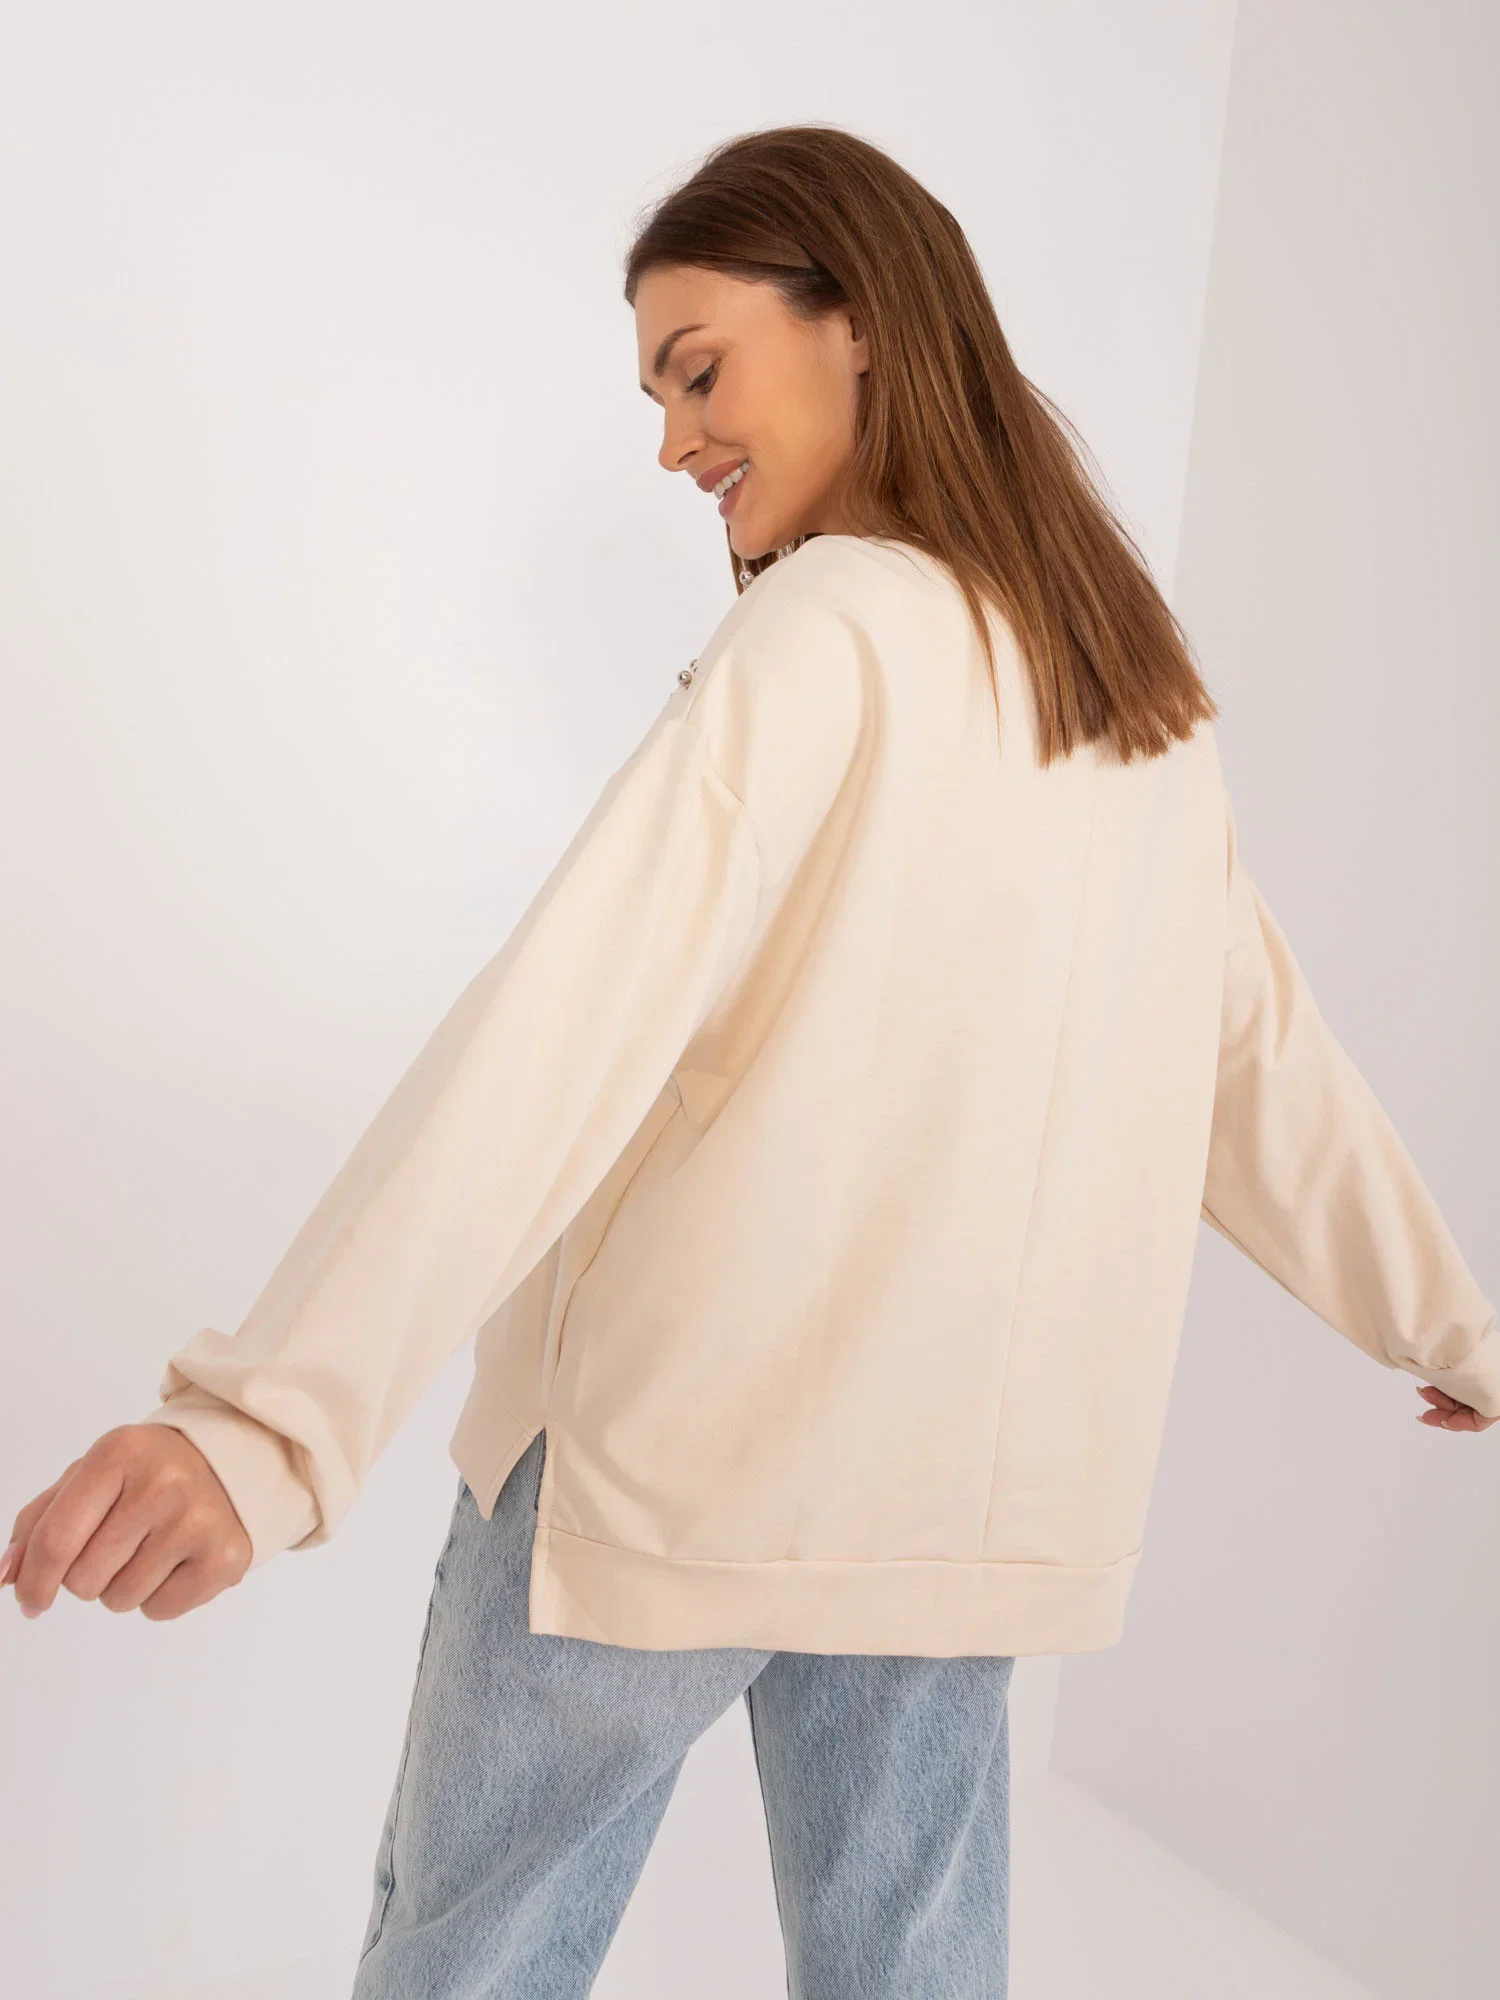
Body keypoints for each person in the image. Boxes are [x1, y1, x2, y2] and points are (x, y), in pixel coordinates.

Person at [4, 123, 1495, 1999]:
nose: (672, 444)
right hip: (953, 1519)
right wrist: (1458, 1328)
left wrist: (269, 1425)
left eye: (697, 370)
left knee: (469, 1962)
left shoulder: (830, 631)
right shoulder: (1136, 698)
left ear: (859, 320)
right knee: (912, 1970)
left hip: (670, 1479)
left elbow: (558, 1032)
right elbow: (1266, 1071)